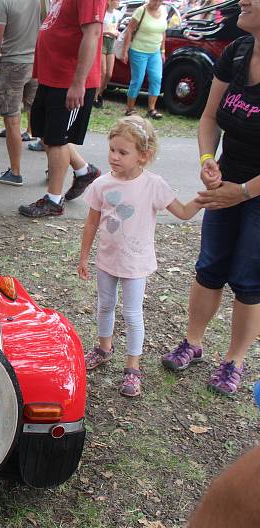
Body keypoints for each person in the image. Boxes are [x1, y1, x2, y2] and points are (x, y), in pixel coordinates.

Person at [160, 22, 260, 396]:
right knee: (210, 266)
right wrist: (208, 159)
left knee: (250, 281)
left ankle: (234, 360)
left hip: (255, 191)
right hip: (225, 182)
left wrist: (245, 191)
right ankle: (193, 343)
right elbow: (209, 117)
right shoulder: (236, 52)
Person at [78, 117, 201, 397]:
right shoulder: (101, 184)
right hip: (107, 261)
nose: (114, 156)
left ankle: (133, 367)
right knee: (105, 305)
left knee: (132, 314)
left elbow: (182, 212)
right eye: (112, 149)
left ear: (143, 156)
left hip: (135, 264)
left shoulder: (153, 185)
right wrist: (84, 256)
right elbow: (91, 223)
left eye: (123, 152)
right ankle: (103, 347)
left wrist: (202, 200)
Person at [18, 0, 105, 218]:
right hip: (52, 77)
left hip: (68, 81)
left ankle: (54, 201)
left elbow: (92, 34)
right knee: (49, 135)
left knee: (57, 140)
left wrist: (78, 83)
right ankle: (85, 171)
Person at [0, 0, 44, 186]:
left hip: (12, 62)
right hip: (38, 63)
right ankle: (55, 168)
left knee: (12, 119)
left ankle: (15, 172)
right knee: (40, 116)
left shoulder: (4, 2)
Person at [121, 0, 167, 119]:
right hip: (138, 50)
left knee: (156, 78)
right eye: (155, 0)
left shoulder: (164, 11)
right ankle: (130, 108)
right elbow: (130, 30)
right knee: (138, 79)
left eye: (160, 1)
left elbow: (163, 31)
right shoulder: (141, 11)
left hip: (155, 50)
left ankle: (151, 109)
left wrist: (163, 50)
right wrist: (125, 51)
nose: (157, 3)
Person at [94, 0, 120, 108]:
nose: (118, 2)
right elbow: (97, 29)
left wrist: (116, 32)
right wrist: (108, 32)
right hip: (102, 41)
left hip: (112, 42)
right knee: (102, 72)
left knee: (109, 73)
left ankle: (100, 93)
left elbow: (115, 28)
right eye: (116, 0)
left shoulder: (117, 14)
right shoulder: (102, 12)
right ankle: (94, 98)